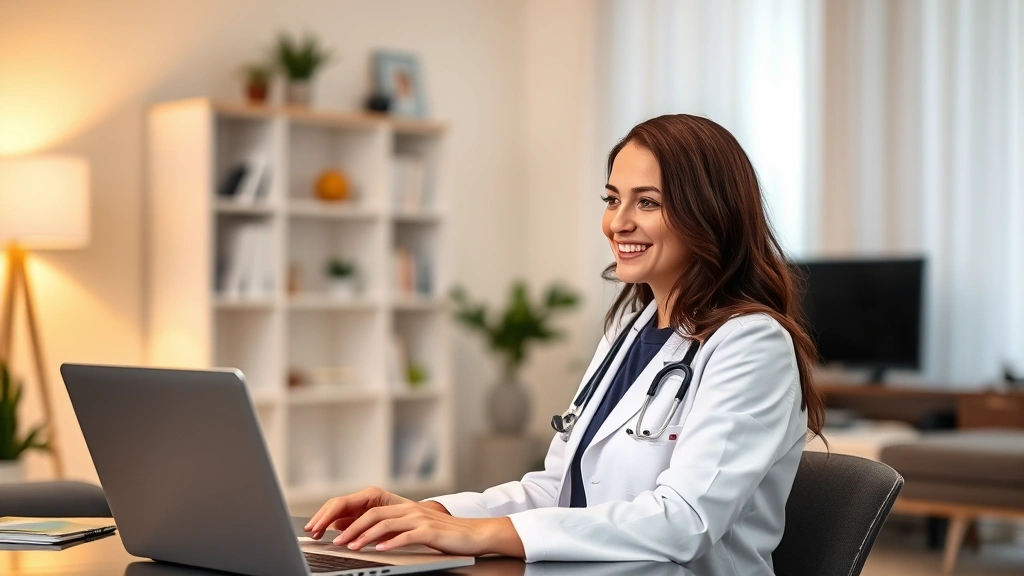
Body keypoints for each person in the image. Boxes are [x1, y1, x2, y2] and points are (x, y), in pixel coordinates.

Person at [305, 114, 825, 575]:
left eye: (647, 202)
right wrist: (431, 515)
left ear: (709, 212)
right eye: (612, 199)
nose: (618, 222)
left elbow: (684, 521)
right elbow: (557, 488)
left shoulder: (752, 343)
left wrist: (482, 535)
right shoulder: (629, 333)